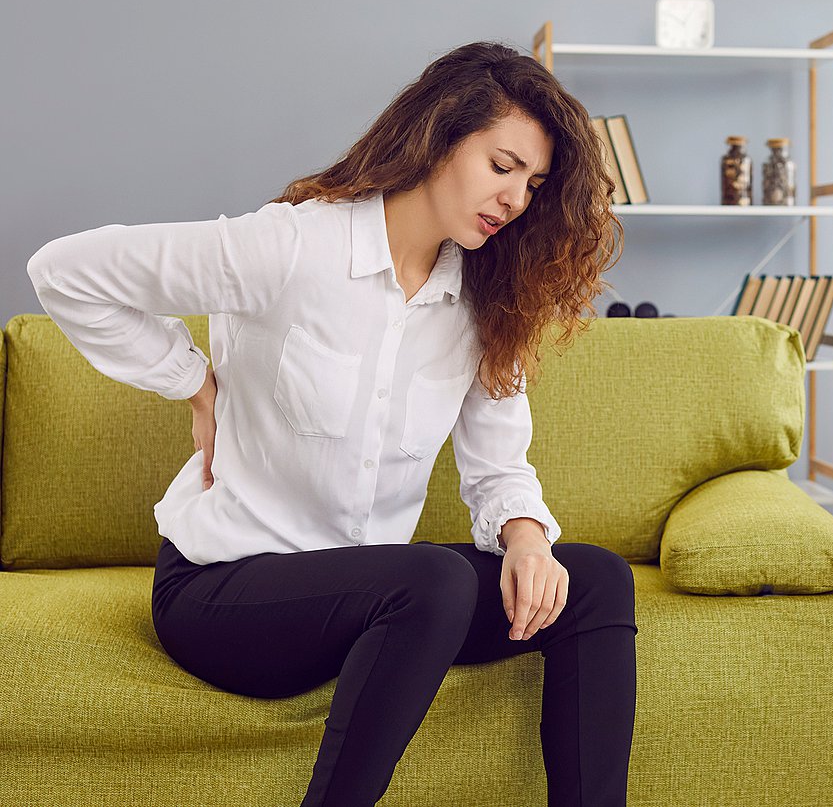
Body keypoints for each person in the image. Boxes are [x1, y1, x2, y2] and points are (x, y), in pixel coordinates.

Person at [25, 41, 633, 807]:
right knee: (432, 578)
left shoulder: (484, 303)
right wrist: (192, 382)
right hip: (224, 592)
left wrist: (526, 539)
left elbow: (498, 464)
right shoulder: (291, 244)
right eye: (503, 165)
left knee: (596, 580)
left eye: (534, 184)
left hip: (375, 607)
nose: (516, 198)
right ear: (443, 133)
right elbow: (64, 270)